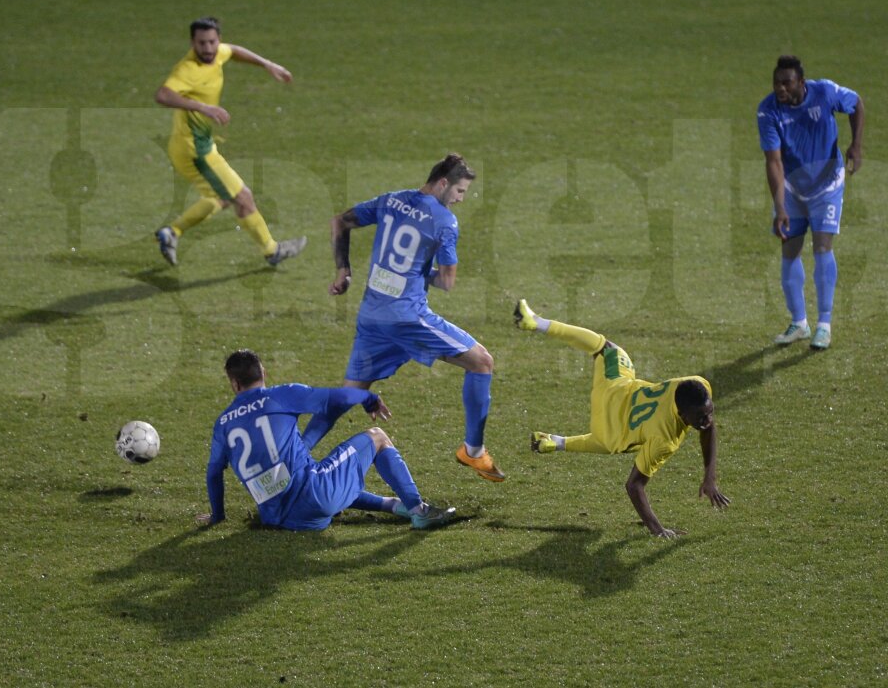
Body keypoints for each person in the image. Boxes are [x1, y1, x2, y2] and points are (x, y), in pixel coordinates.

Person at [302, 154, 505, 482]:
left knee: (348, 394)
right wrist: (422, 272)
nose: (460, 199)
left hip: (372, 318)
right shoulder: (445, 221)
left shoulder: (391, 200)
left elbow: (339, 221)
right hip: (408, 319)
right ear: (443, 183)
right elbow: (447, 282)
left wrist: (344, 270)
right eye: (460, 191)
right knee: (482, 362)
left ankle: (296, 450)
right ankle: (474, 451)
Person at [513, 299, 730, 538]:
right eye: (700, 417)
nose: (707, 420)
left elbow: (707, 427)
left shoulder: (697, 386)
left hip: (615, 386)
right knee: (611, 442)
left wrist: (709, 477)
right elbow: (634, 486)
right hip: (609, 432)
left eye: (709, 411)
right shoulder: (665, 439)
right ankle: (556, 442)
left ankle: (535, 323)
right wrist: (658, 531)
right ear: (680, 414)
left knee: (605, 348)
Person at [199, 349, 455, 531]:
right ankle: (420, 512)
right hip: (315, 499)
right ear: (263, 372)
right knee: (377, 437)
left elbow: (213, 475)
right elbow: (337, 399)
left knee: (317, 472)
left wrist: (217, 517)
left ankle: (394, 506)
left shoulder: (223, 423)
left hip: (277, 518)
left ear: (234, 384)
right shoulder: (281, 395)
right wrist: (368, 398)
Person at [153, 16, 307, 267]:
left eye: (212, 42)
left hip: (193, 144)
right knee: (242, 196)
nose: (208, 49)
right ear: (192, 42)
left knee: (221, 198)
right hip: (196, 150)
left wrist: (267, 64)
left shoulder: (218, 53)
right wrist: (201, 106)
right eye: (202, 43)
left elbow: (233, 51)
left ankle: (172, 232)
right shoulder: (188, 69)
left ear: (218, 40)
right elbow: (162, 95)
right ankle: (271, 251)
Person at [757, 54, 865, 350]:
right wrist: (780, 207)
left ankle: (824, 325)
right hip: (793, 187)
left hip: (827, 185)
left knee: (821, 247)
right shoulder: (768, 112)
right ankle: (799, 323)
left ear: (801, 82)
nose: (780, 89)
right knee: (789, 249)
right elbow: (774, 161)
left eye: (787, 83)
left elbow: (856, 102)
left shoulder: (825, 92)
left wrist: (855, 144)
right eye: (777, 83)